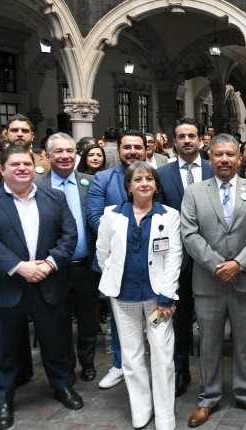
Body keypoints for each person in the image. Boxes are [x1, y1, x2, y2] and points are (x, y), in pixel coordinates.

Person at [0, 145, 82, 430]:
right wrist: (19, 267)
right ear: (2, 169)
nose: (22, 168)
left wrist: (50, 264)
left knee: (56, 342)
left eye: (26, 164)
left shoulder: (54, 197)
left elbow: (69, 234)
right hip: (6, 286)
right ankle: (4, 401)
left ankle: (62, 386)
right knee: (3, 350)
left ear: (35, 166)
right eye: (14, 164)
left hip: (48, 283)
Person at [181, 133, 246, 427]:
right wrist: (219, 266)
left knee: (245, 340)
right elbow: (189, 235)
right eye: (218, 154)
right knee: (209, 343)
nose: (224, 159)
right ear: (210, 159)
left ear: (239, 158)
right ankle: (208, 398)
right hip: (209, 281)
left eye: (230, 154)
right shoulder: (194, 192)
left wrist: (239, 264)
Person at [95, 161, 181, 430]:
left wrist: (167, 296)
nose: (144, 183)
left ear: (156, 185)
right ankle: (141, 409)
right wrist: (113, 276)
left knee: (162, 355)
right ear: (128, 186)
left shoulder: (169, 215)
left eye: (149, 179)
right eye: (138, 179)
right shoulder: (112, 215)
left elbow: (174, 258)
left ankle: (165, 416)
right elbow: (103, 252)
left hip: (157, 301)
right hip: (124, 297)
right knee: (131, 357)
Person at [156, 117, 214, 397]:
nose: (187, 140)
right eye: (182, 136)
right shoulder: (162, 174)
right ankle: (181, 371)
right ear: (174, 141)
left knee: (210, 318)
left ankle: (211, 375)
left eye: (192, 135)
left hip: (210, 255)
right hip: (176, 257)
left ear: (200, 139)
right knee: (179, 319)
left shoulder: (213, 168)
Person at [34, 133, 97, 384]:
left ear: (76, 154)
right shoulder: (37, 185)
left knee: (88, 318)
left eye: (69, 151)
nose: (64, 156)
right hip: (53, 268)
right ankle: (67, 366)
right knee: (60, 321)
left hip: (85, 265)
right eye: (58, 151)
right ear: (48, 156)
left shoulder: (90, 182)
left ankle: (88, 362)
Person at [87, 129, 147, 389]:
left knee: (156, 316)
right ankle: (120, 365)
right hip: (116, 260)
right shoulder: (102, 178)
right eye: (127, 147)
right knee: (120, 316)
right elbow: (95, 217)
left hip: (150, 259)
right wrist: (127, 240)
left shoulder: (152, 176)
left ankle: (152, 364)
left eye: (137, 147)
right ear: (118, 150)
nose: (132, 152)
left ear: (146, 150)